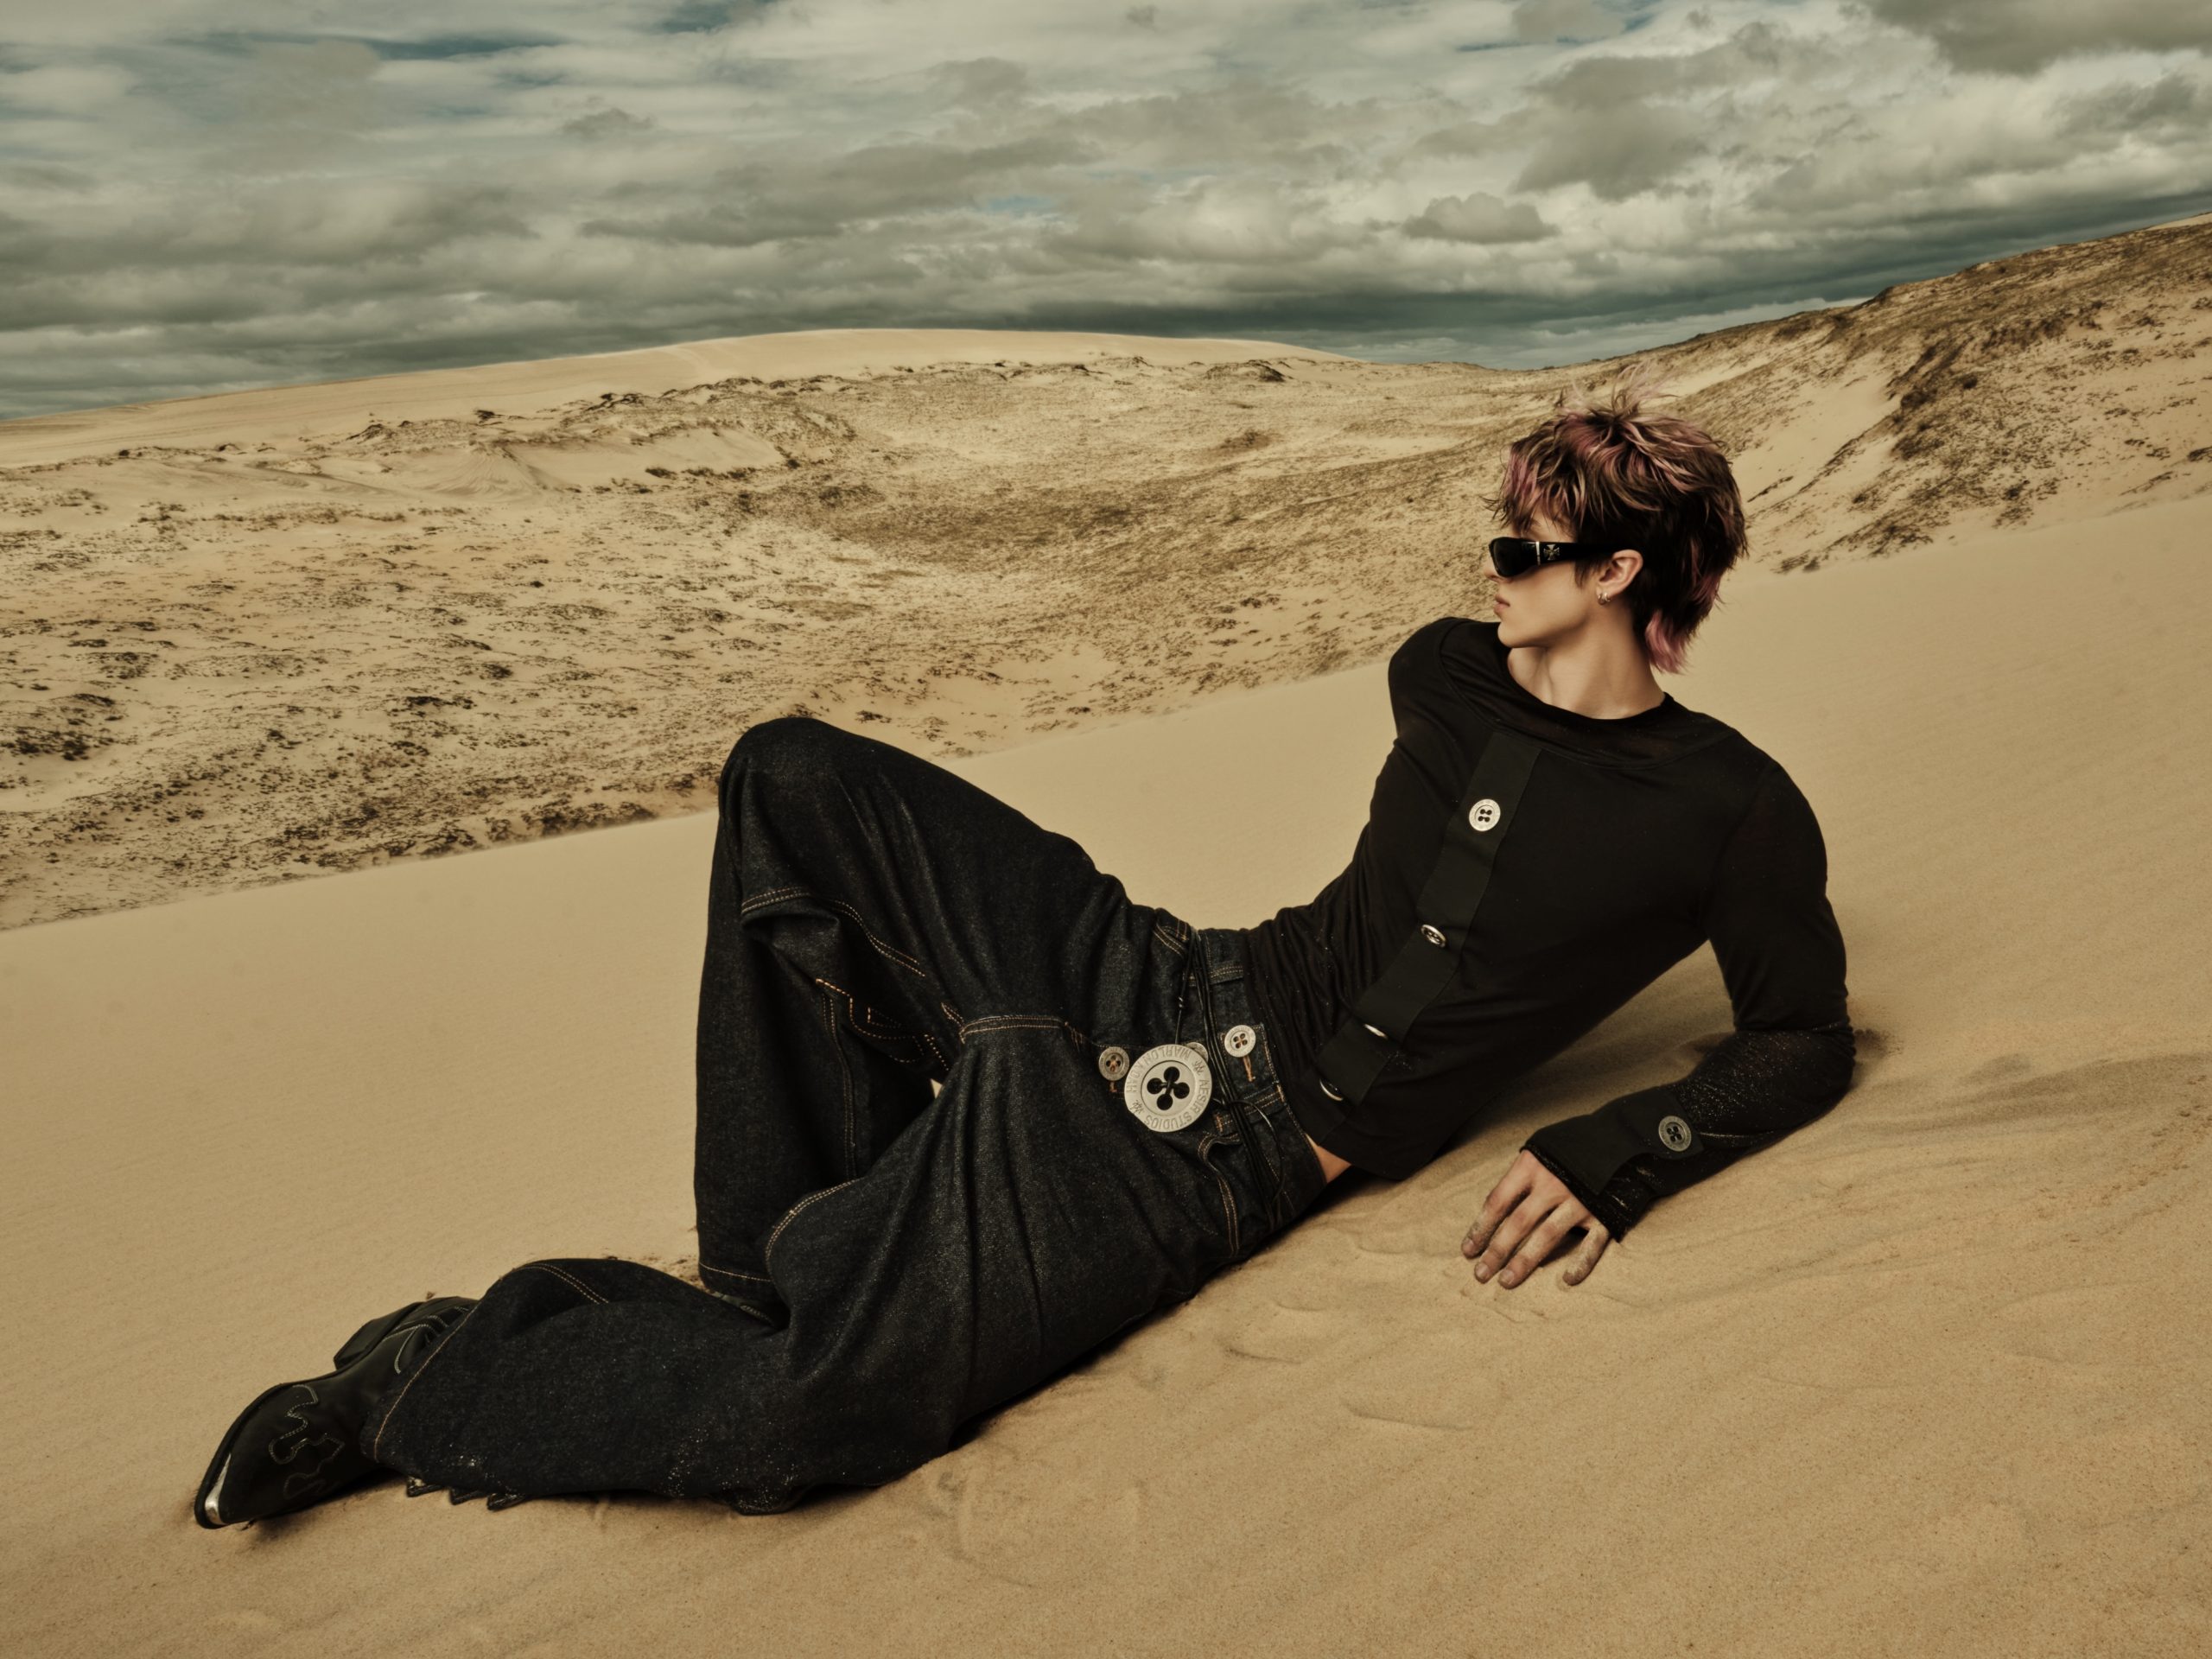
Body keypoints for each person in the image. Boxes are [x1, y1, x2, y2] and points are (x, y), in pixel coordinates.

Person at [194, 373, 1854, 1529]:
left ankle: (425, 1377)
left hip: (1207, 1162)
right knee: (790, 774)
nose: (1487, 571)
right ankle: (768, 1272)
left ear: (1617, 571)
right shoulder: (1443, 669)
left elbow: (1801, 1040)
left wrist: (1624, 1149)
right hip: (1157, 973)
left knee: (817, 1422)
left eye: (1522, 547)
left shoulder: (1731, 813)